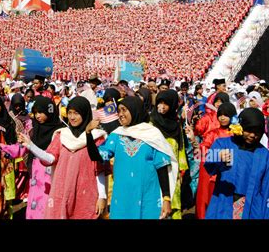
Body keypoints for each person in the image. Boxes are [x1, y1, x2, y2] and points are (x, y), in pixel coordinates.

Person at [86, 96, 178, 219]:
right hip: (122, 198)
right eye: (119, 111)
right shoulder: (117, 136)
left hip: (148, 197)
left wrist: (166, 198)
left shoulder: (152, 135)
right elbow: (96, 156)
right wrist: (88, 134)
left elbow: (162, 168)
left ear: (135, 110)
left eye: (124, 110)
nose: (120, 114)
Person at [0, 96, 63, 219]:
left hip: (51, 179)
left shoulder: (59, 133)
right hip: (36, 178)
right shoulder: (34, 131)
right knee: (34, 208)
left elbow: (52, 158)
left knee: (48, 209)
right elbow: (20, 149)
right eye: (35, 113)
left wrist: (31, 145)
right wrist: (0, 146)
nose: (38, 116)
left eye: (41, 112)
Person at [204, 108, 269, 219]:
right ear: (240, 128)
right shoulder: (223, 144)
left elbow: (267, 189)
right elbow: (208, 166)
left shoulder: (264, 155)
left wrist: (267, 215)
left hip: (252, 208)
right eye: (249, 130)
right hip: (223, 204)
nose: (252, 135)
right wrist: (218, 157)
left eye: (257, 132)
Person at [193, 102, 236, 219]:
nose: (222, 118)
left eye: (226, 115)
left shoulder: (236, 133)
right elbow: (203, 149)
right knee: (211, 199)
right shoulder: (213, 133)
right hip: (215, 173)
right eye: (220, 115)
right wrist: (218, 156)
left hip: (232, 172)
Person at [150, 90, 188, 219]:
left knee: (173, 202)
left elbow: (180, 147)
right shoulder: (151, 124)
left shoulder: (176, 125)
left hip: (173, 168)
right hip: (154, 169)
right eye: (160, 102)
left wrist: (182, 170)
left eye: (166, 103)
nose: (162, 106)